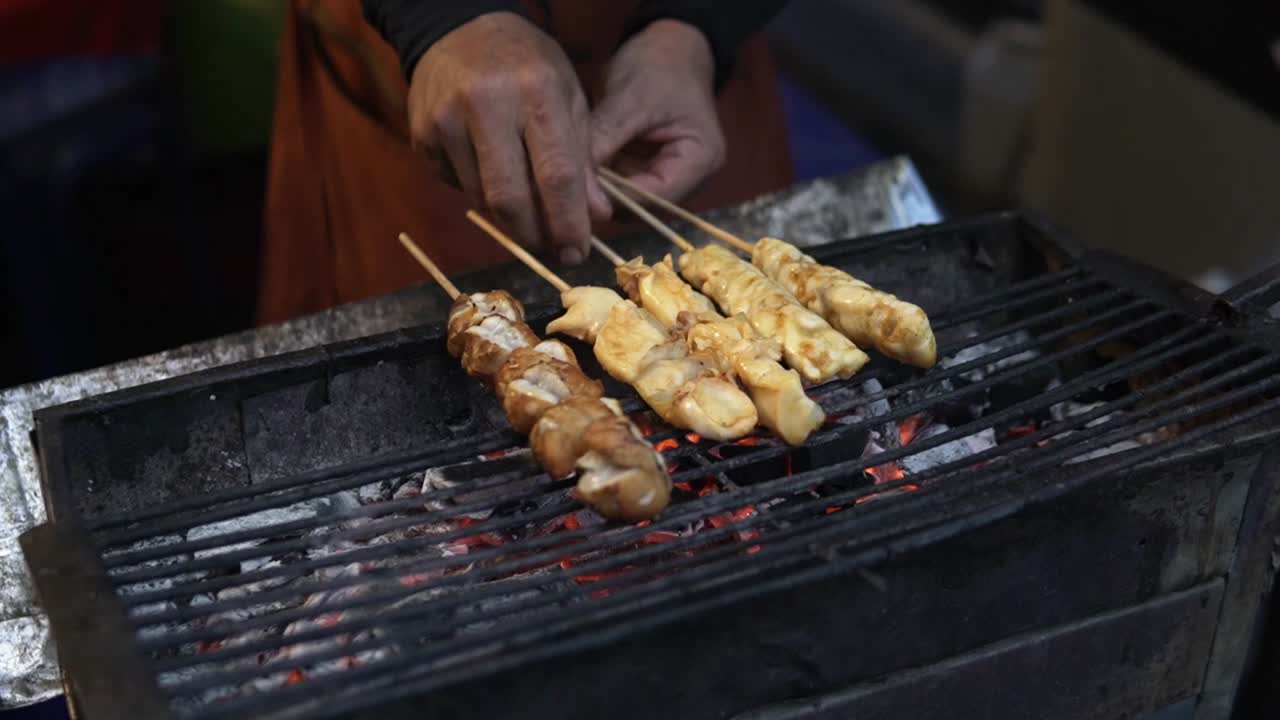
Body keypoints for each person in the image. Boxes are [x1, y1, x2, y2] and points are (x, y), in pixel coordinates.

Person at [258, 1, 794, 325]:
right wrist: (438, 14)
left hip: (684, 72)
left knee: (728, 276)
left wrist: (698, 23)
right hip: (414, 64)